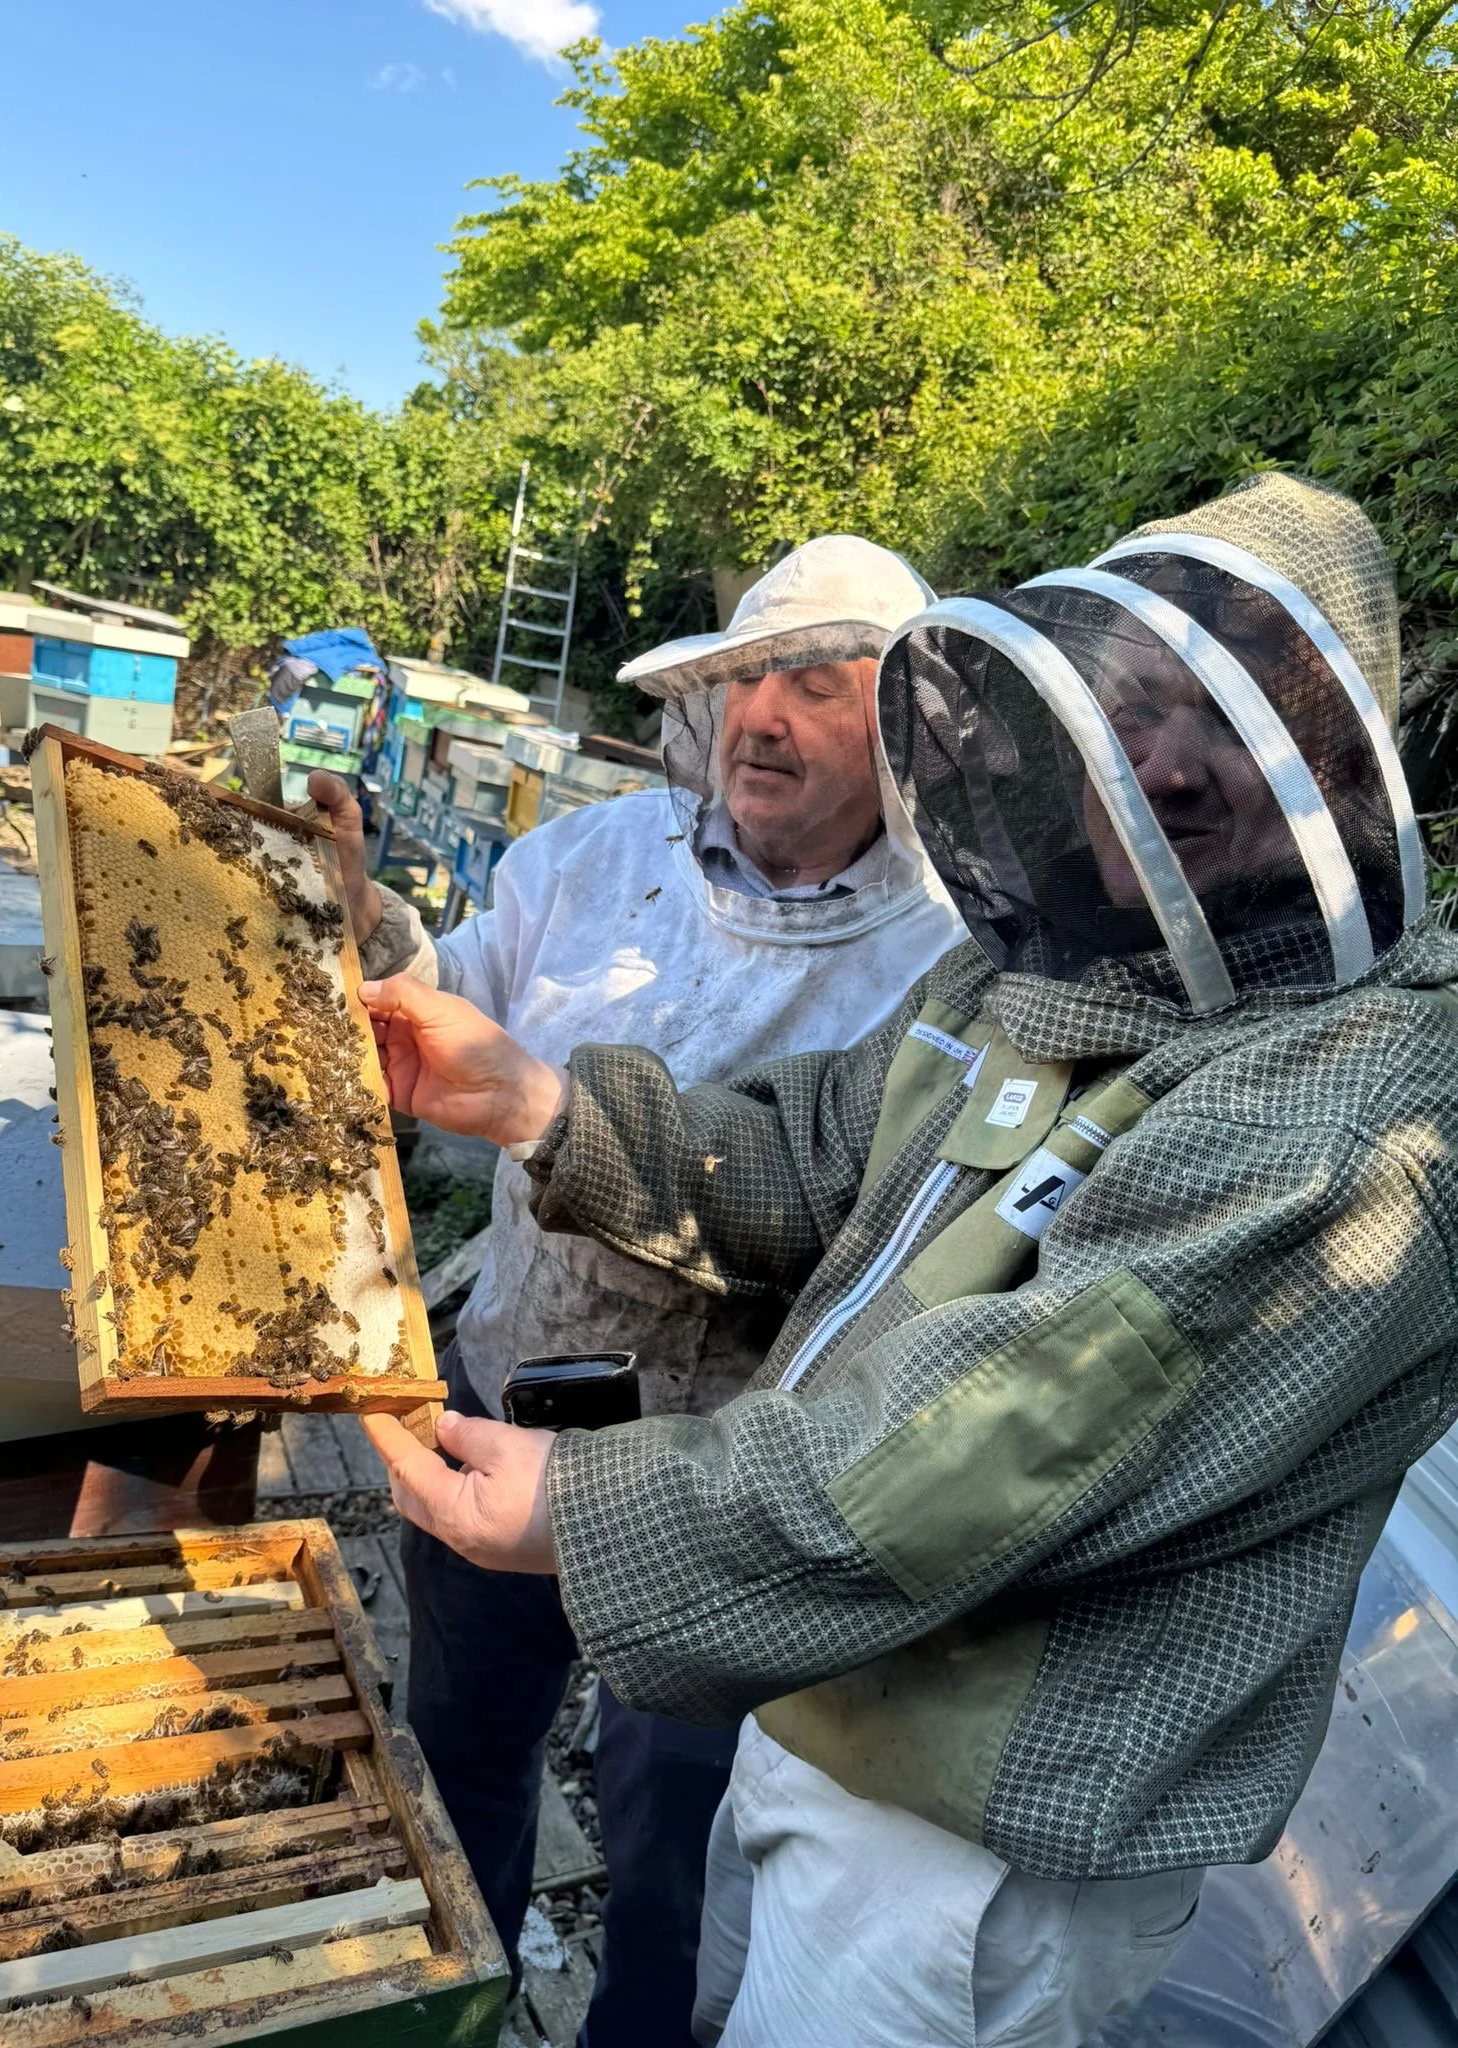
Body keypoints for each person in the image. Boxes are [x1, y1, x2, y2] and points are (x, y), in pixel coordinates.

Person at [354, 474, 1458, 2047]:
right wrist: (534, 1099)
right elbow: (813, 1152)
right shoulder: (1044, 970)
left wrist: (586, 1509)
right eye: (1128, 709)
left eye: (1235, 714)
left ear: (1343, 757)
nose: (1162, 764)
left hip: (980, 1848)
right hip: (831, 1703)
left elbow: (1005, 1443)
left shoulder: (1365, 1095)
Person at [312, 534, 965, 2044]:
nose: (761, 717)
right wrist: (352, 921)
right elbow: (439, 1015)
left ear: (911, 732)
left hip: (713, 1483)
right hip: (497, 1397)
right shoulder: (589, 858)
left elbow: (857, 1227)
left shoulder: (947, 963)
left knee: (681, 1845)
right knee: (460, 1759)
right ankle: (459, 2014)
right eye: (742, 680)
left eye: (816, 683)